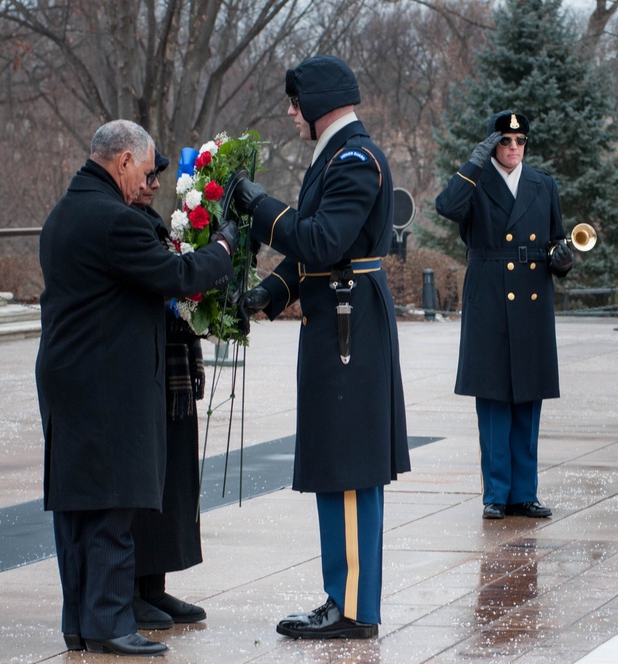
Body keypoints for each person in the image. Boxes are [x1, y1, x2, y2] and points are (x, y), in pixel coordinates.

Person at [36, 120, 237, 656]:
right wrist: (223, 246)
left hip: (69, 377)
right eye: (146, 170)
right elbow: (178, 276)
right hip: (105, 381)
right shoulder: (113, 220)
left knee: (78, 506)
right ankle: (108, 623)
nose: (149, 181)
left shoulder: (65, 213)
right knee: (111, 501)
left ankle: (83, 624)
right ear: (123, 161)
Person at [228, 54, 410, 639]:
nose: (290, 112)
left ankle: (352, 607)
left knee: (349, 466)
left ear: (319, 102)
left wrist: (258, 205)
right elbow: (315, 252)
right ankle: (344, 596)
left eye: (295, 101)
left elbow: (322, 241)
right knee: (338, 462)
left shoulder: (353, 159)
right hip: (338, 317)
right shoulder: (336, 155)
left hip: (349, 325)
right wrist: (270, 292)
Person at [434, 110, 573, 521]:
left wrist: (563, 260)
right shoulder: (475, 181)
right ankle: (496, 493)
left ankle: (524, 494)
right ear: (492, 144)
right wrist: (474, 162)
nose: (514, 148)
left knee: (528, 399)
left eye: (520, 141)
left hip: (531, 295)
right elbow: (446, 206)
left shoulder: (543, 184)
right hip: (490, 295)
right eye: (505, 141)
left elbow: (556, 239)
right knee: (494, 399)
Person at [128, 149, 208, 630]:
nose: (155, 183)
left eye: (159, 175)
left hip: (169, 370)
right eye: (148, 174)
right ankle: (132, 590)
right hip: (144, 371)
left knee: (171, 482)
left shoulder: (151, 222)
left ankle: (153, 587)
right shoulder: (125, 225)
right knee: (144, 488)